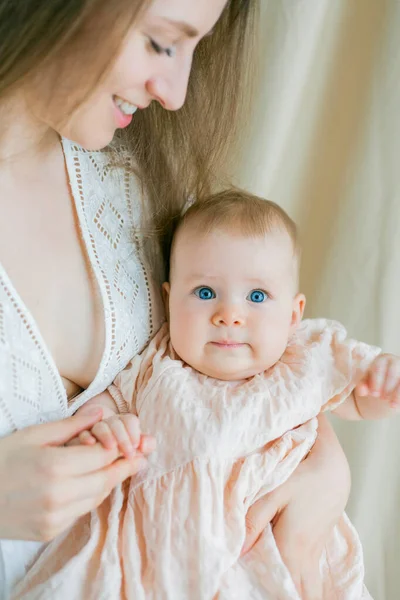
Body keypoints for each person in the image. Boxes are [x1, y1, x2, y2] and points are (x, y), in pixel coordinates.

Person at [0, 1, 350, 598]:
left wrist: (324, 467)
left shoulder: (138, 180)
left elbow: (241, 369)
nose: (176, 92)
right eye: (162, 42)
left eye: (195, 48)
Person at [14, 190, 399, 599]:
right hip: (153, 556)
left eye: (256, 297)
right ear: (168, 299)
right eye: (204, 293)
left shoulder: (307, 355)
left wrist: (385, 382)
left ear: (292, 314)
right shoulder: (156, 363)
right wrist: (106, 429)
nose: (229, 314)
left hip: (264, 552)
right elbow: (104, 408)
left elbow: (360, 397)